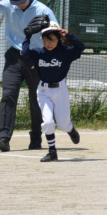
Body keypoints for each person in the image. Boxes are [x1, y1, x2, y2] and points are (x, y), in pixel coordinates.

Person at [0, 0, 58, 151]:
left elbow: (56, 34)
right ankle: (3, 138)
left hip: (36, 57)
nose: (20, 4)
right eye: (16, 1)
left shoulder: (43, 10)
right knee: (8, 95)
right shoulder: (9, 5)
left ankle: (36, 138)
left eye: (22, 0)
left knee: (36, 99)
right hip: (14, 57)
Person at [21, 21, 85, 162]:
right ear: (42, 39)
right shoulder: (39, 53)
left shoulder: (65, 53)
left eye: (53, 40)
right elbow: (25, 51)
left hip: (61, 91)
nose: (49, 43)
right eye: (46, 39)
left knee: (63, 124)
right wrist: (28, 35)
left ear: (58, 40)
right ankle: (52, 152)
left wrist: (68, 35)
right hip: (44, 91)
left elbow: (81, 47)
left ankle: (70, 130)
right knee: (48, 122)